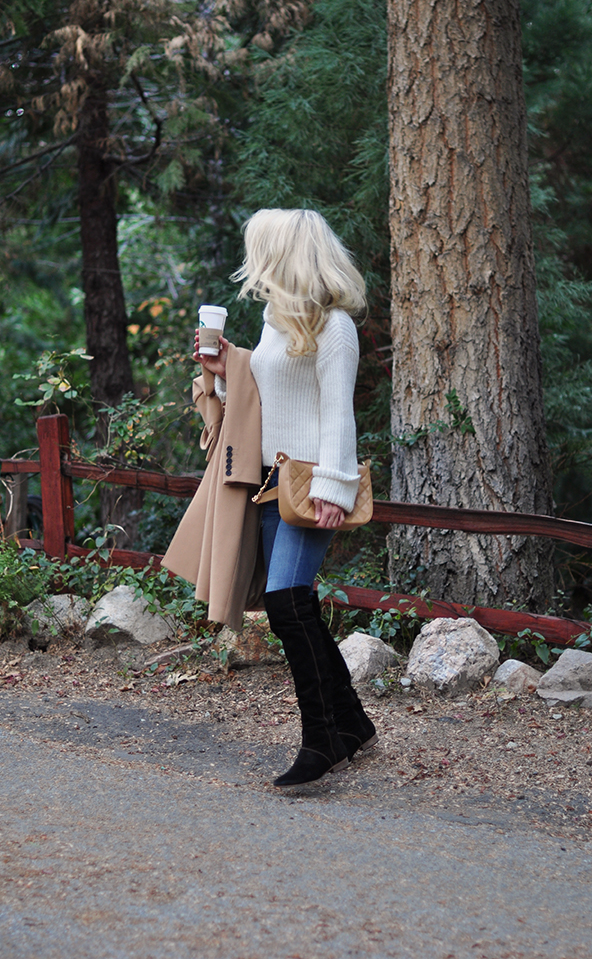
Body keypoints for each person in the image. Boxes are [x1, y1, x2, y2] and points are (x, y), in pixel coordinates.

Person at [192, 208, 377, 787]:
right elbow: (269, 384)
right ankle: (352, 724)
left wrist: (334, 487)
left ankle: (323, 740)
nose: (257, 262)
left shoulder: (335, 327)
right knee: (292, 604)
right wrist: (226, 368)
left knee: (286, 603)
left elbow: (336, 412)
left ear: (285, 252)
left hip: (310, 484)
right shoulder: (278, 317)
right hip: (272, 483)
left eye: (263, 249)